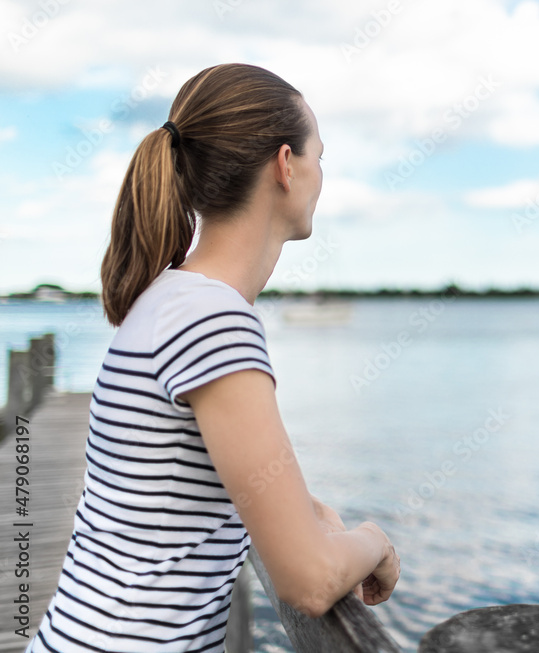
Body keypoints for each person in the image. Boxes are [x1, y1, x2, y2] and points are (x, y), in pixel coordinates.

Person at [24, 63, 400, 652]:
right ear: (284, 165)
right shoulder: (213, 320)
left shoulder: (167, 296)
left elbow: (222, 482)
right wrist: (375, 540)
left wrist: (317, 518)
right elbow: (310, 580)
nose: (322, 176)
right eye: (319, 157)